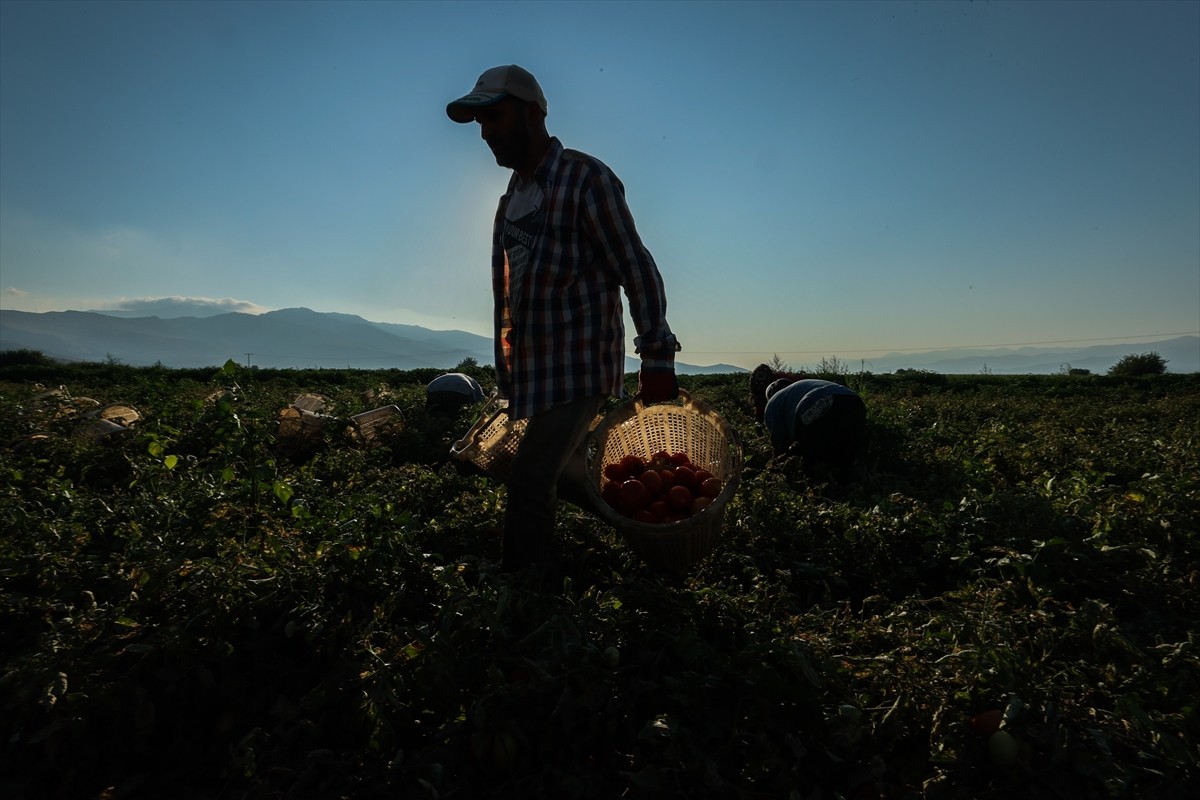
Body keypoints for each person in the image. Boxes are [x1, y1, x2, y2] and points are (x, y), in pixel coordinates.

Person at [446, 64, 681, 570]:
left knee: (530, 477)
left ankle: (523, 591)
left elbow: (632, 262)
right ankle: (644, 546)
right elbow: (515, 295)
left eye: (495, 118)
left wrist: (656, 351)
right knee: (566, 474)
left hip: (579, 362)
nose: (486, 133)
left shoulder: (585, 177)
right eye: (480, 123)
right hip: (538, 372)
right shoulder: (511, 200)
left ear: (531, 114)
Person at [759, 371, 867, 483]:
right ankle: (848, 487)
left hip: (821, 402)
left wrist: (778, 462)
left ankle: (813, 487)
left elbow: (778, 439)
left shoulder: (773, 401)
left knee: (810, 454)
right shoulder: (800, 387)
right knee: (848, 451)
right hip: (855, 402)